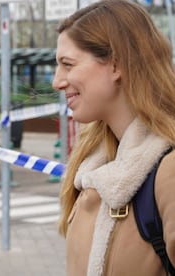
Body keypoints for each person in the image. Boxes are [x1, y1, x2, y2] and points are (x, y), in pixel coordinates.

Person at [52, 1, 175, 275]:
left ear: (116, 65)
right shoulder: (92, 165)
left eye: (68, 65)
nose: (57, 81)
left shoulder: (169, 170)